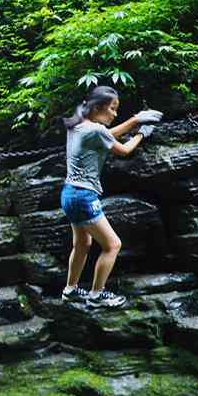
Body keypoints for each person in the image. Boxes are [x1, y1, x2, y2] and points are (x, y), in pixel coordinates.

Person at [59, 86, 162, 308]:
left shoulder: (78, 125)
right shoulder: (95, 131)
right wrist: (141, 131)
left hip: (69, 193)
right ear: (98, 108)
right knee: (113, 245)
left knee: (82, 244)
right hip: (84, 196)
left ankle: (70, 290)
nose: (115, 114)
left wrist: (134, 122)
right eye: (113, 109)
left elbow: (105, 135)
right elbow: (124, 150)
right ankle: (97, 295)